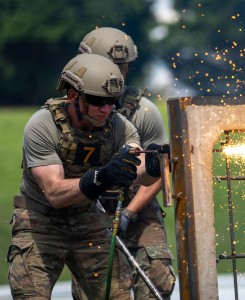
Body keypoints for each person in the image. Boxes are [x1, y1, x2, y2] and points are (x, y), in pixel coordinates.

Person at [7, 53, 165, 299]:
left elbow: (139, 169)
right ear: (73, 96)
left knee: (116, 295)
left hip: (88, 218)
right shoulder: (43, 125)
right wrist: (103, 176)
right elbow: (54, 192)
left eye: (111, 101)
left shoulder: (121, 126)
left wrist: (153, 165)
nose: (106, 109)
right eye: (97, 101)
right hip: (40, 221)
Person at [74, 27, 175, 300]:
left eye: (123, 68)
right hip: (87, 208)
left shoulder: (144, 112)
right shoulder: (70, 111)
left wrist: (129, 213)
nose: (117, 75)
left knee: (157, 278)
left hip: (136, 207)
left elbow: (160, 172)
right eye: (110, 67)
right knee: (95, 289)